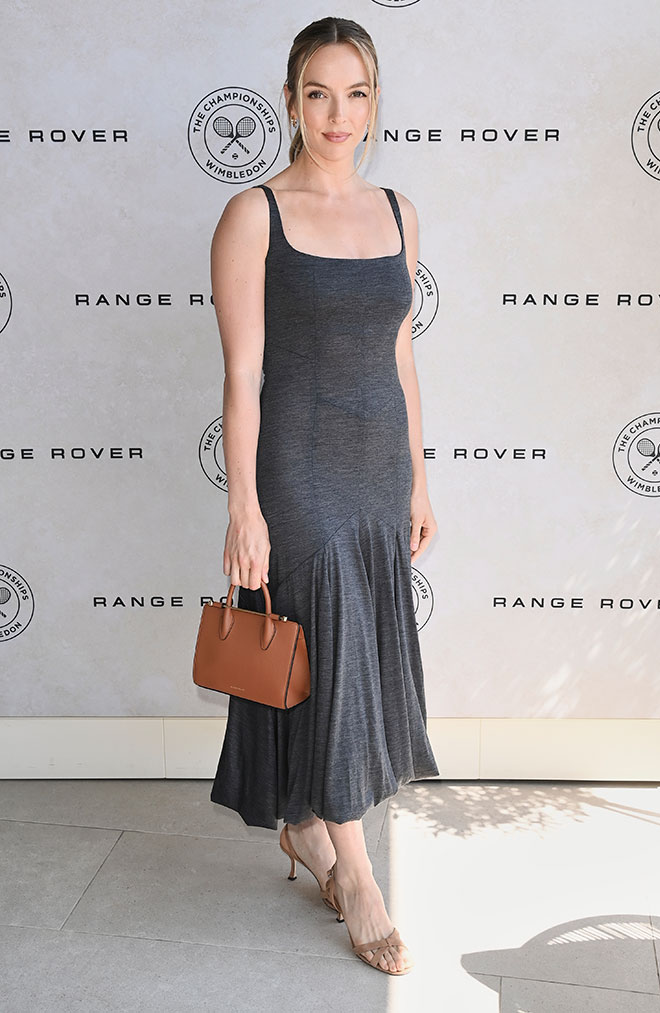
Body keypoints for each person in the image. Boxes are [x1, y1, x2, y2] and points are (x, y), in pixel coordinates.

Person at [208, 16, 439, 975]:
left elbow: (401, 352)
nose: (338, 114)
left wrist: (421, 475)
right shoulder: (253, 212)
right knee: (329, 652)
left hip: (379, 463)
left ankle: (305, 825)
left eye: (356, 94)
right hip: (298, 469)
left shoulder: (397, 209)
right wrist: (244, 506)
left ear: (374, 102)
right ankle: (358, 872)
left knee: (346, 661)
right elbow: (242, 372)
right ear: (291, 99)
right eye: (317, 92)